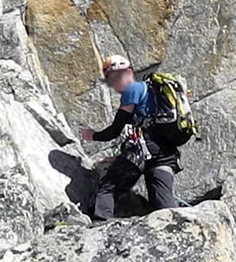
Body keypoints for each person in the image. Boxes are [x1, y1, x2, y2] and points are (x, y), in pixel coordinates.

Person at [79, 55, 187, 220]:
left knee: (107, 188)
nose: (115, 83)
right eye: (111, 80)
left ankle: (100, 227)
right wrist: (119, 158)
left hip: (143, 150)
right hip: (166, 153)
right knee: (163, 201)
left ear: (129, 72)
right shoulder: (151, 91)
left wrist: (92, 135)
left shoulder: (133, 90)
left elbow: (115, 130)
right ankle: (181, 228)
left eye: (117, 77)